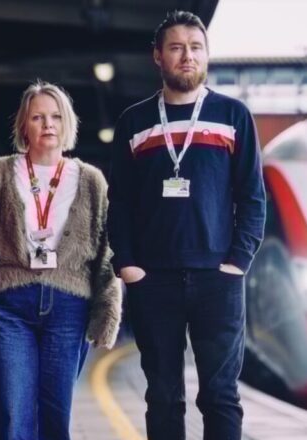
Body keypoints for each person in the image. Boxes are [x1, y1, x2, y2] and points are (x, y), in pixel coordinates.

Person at [107, 10, 266, 440]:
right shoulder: (135, 122)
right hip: (153, 279)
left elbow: (253, 195)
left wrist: (238, 261)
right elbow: (118, 202)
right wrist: (128, 265)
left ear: (206, 55)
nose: (187, 56)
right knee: (162, 394)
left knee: (220, 395)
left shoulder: (233, 116)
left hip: (218, 277)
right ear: (157, 56)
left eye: (195, 48)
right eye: (176, 48)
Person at [0, 81, 122, 440]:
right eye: (37, 117)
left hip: (69, 309)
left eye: (55, 117)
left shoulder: (90, 181)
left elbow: (107, 251)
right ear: (24, 126)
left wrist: (106, 313)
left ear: (67, 123)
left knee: (56, 417)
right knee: (9, 414)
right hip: (9, 306)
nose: (47, 124)